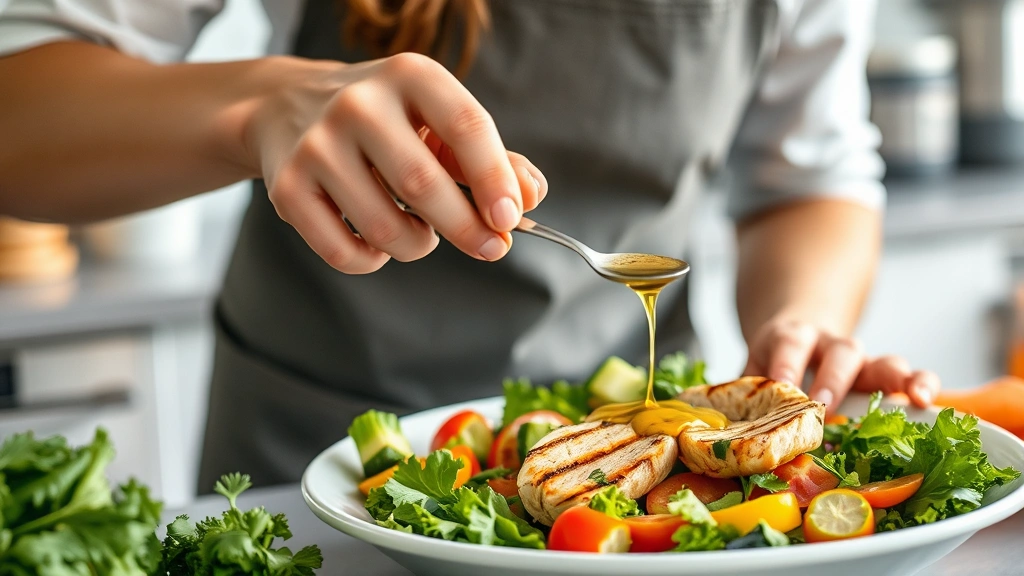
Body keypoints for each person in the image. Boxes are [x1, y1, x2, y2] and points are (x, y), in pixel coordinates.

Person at [0, 0, 940, 490]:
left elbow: (810, 179)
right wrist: (259, 107)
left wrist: (799, 324)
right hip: (314, 457)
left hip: (639, 454)